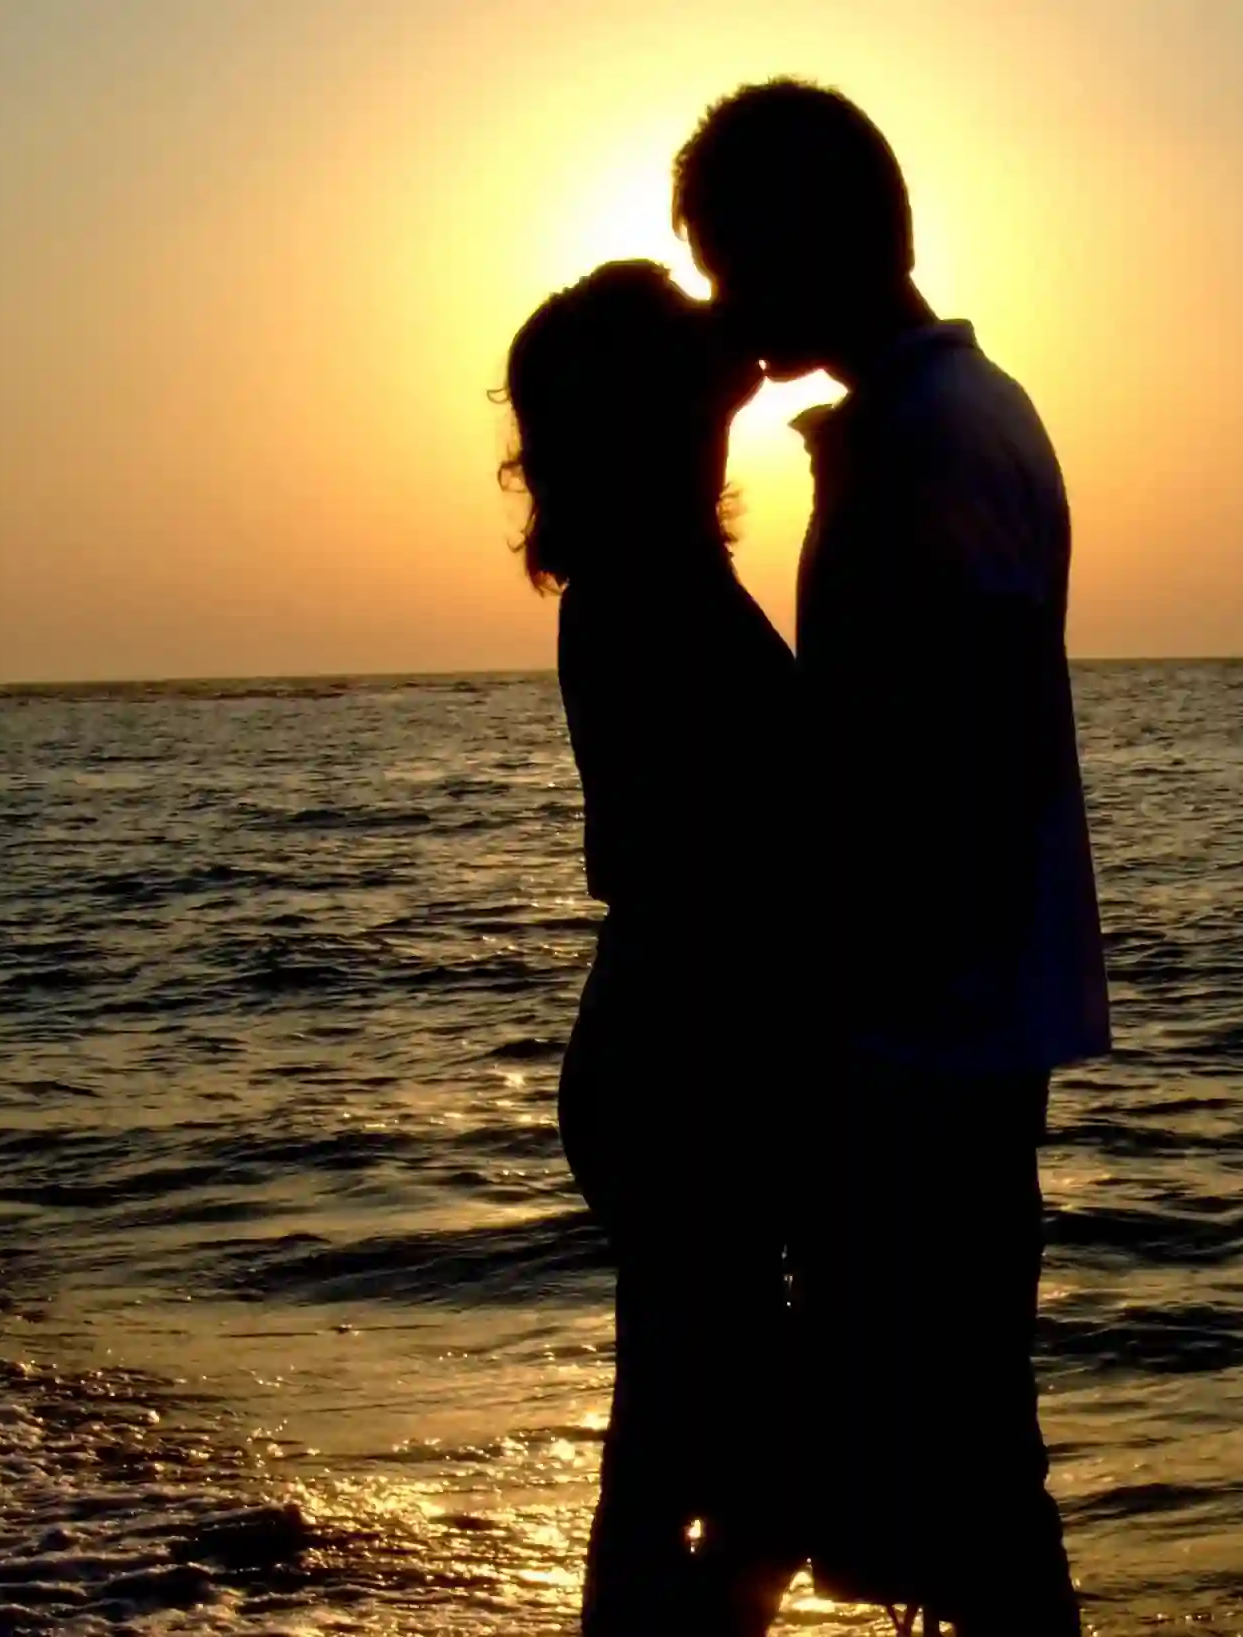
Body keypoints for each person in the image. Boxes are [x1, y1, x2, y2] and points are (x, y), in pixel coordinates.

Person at [673, 80, 1112, 1635]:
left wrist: (869, 1000)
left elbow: (975, 746)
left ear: (813, 239)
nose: (726, 303)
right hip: (931, 1025)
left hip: (928, 1039)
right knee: (941, 1459)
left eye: (733, 262)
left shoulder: (934, 441)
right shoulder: (934, 423)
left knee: (954, 1468)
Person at [500, 260, 806, 1637]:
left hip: (674, 1051)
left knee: (703, 1456)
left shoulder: (653, 574)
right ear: (647, 405)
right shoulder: (646, 590)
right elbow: (724, 851)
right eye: (682, 328)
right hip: (686, 1061)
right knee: (723, 1468)